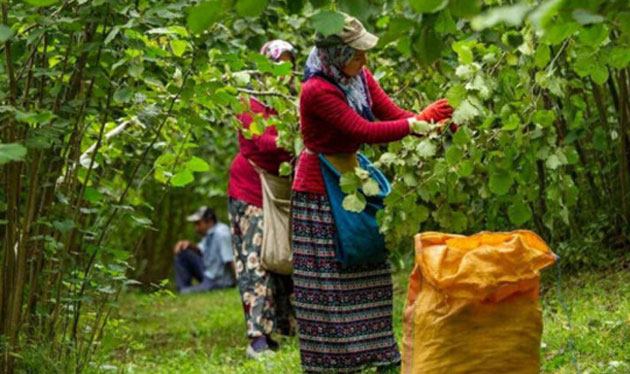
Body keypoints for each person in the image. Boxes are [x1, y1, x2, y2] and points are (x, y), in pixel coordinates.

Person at [292, 14, 453, 373]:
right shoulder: (316, 89)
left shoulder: (360, 78)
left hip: (353, 178)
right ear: (336, 53)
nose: (365, 60)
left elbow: (393, 115)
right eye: (358, 53)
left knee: (369, 264)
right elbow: (363, 128)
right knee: (331, 279)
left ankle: (379, 354)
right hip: (320, 188)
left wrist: (430, 124)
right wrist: (414, 124)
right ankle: (334, 364)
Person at [227, 40, 297, 359]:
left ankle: (287, 326)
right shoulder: (249, 103)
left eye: (288, 64)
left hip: (282, 191)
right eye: (276, 64)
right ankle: (257, 338)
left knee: (284, 256)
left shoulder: (291, 102)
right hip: (250, 190)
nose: (283, 71)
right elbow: (265, 142)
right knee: (256, 260)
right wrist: (298, 137)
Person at [173, 206, 236, 294]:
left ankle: (184, 291)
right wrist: (189, 245)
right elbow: (201, 250)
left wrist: (239, 284)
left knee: (185, 292)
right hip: (209, 273)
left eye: (198, 224)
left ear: (209, 221)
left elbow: (230, 260)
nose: (196, 228)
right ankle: (182, 288)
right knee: (183, 253)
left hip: (219, 281)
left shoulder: (222, 234)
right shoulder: (209, 234)